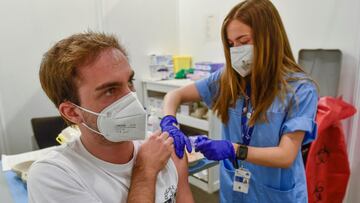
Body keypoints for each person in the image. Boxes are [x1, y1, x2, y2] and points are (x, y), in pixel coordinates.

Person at [160, 0, 318, 202]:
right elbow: (174, 96)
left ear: (268, 38)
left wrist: (232, 149)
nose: (236, 50)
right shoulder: (228, 79)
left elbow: (286, 156)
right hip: (235, 190)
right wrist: (169, 123)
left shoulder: (300, 89)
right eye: (231, 44)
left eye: (243, 42)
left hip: (275, 193)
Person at [27, 31, 194, 203]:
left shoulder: (161, 148)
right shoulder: (53, 176)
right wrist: (145, 170)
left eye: (130, 81)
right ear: (72, 112)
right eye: (110, 90)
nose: (131, 97)